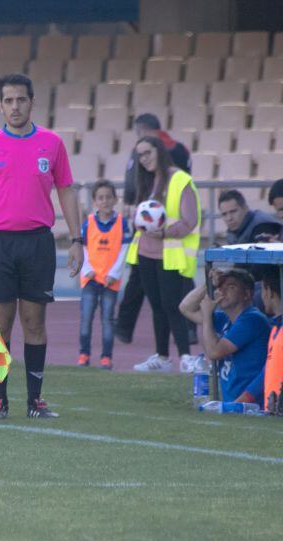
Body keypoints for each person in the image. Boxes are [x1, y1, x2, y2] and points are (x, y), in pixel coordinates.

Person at [0, 73, 82, 420]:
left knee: (35, 322)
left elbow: (66, 190)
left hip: (38, 243)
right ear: (0, 106)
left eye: (21, 100)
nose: (15, 106)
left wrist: (76, 240)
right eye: (9, 101)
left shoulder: (52, 143)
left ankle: (35, 401)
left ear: (32, 102)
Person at [115, 113, 193, 345]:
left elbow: (132, 182)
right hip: (168, 232)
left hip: (162, 231)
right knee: (180, 283)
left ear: (143, 131)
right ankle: (188, 330)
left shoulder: (142, 154)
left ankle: (124, 327)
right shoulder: (182, 150)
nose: (144, 157)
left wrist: (133, 206)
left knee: (144, 284)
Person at [127, 136, 202, 373]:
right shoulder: (145, 181)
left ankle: (186, 357)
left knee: (172, 305)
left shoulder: (180, 179)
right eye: (140, 155)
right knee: (157, 306)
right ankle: (162, 356)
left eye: (148, 153)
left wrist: (165, 232)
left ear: (159, 151)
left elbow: (190, 220)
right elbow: (140, 215)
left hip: (170, 254)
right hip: (145, 253)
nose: (144, 159)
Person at [179, 269, 268, 402]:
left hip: (251, 406)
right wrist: (208, 284)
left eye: (231, 287)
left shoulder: (252, 319)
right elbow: (186, 307)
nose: (223, 291)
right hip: (233, 404)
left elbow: (214, 352)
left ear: (247, 294)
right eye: (220, 287)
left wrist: (207, 316)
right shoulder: (225, 318)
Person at [77, 180, 131, 370]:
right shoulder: (89, 223)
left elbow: (124, 252)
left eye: (108, 197)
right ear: (95, 201)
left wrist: (114, 274)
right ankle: (84, 354)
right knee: (86, 318)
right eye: (100, 197)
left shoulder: (122, 224)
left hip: (110, 281)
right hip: (90, 279)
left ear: (115, 199)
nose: (105, 201)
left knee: (108, 320)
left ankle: (106, 357)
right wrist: (87, 269)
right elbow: (82, 249)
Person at [243, 269, 283, 412]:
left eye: (263, 290)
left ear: (269, 291)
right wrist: (245, 398)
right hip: (272, 412)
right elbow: (268, 370)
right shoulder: (275, 328)